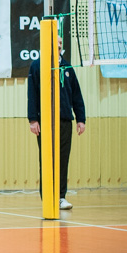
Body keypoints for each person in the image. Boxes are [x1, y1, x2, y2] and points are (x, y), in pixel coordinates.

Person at [27, 36, 86, 210]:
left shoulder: (67, 67)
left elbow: (76, 94)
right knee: (46, 159)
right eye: (56, 43)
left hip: (65, 120)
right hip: (45, 121)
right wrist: (33, 119)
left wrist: (81, 119)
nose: (59, 46)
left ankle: (60, 196)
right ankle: (47, 196)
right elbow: (32, 94)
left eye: (60, 44)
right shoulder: (37, 66)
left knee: (63, 159)